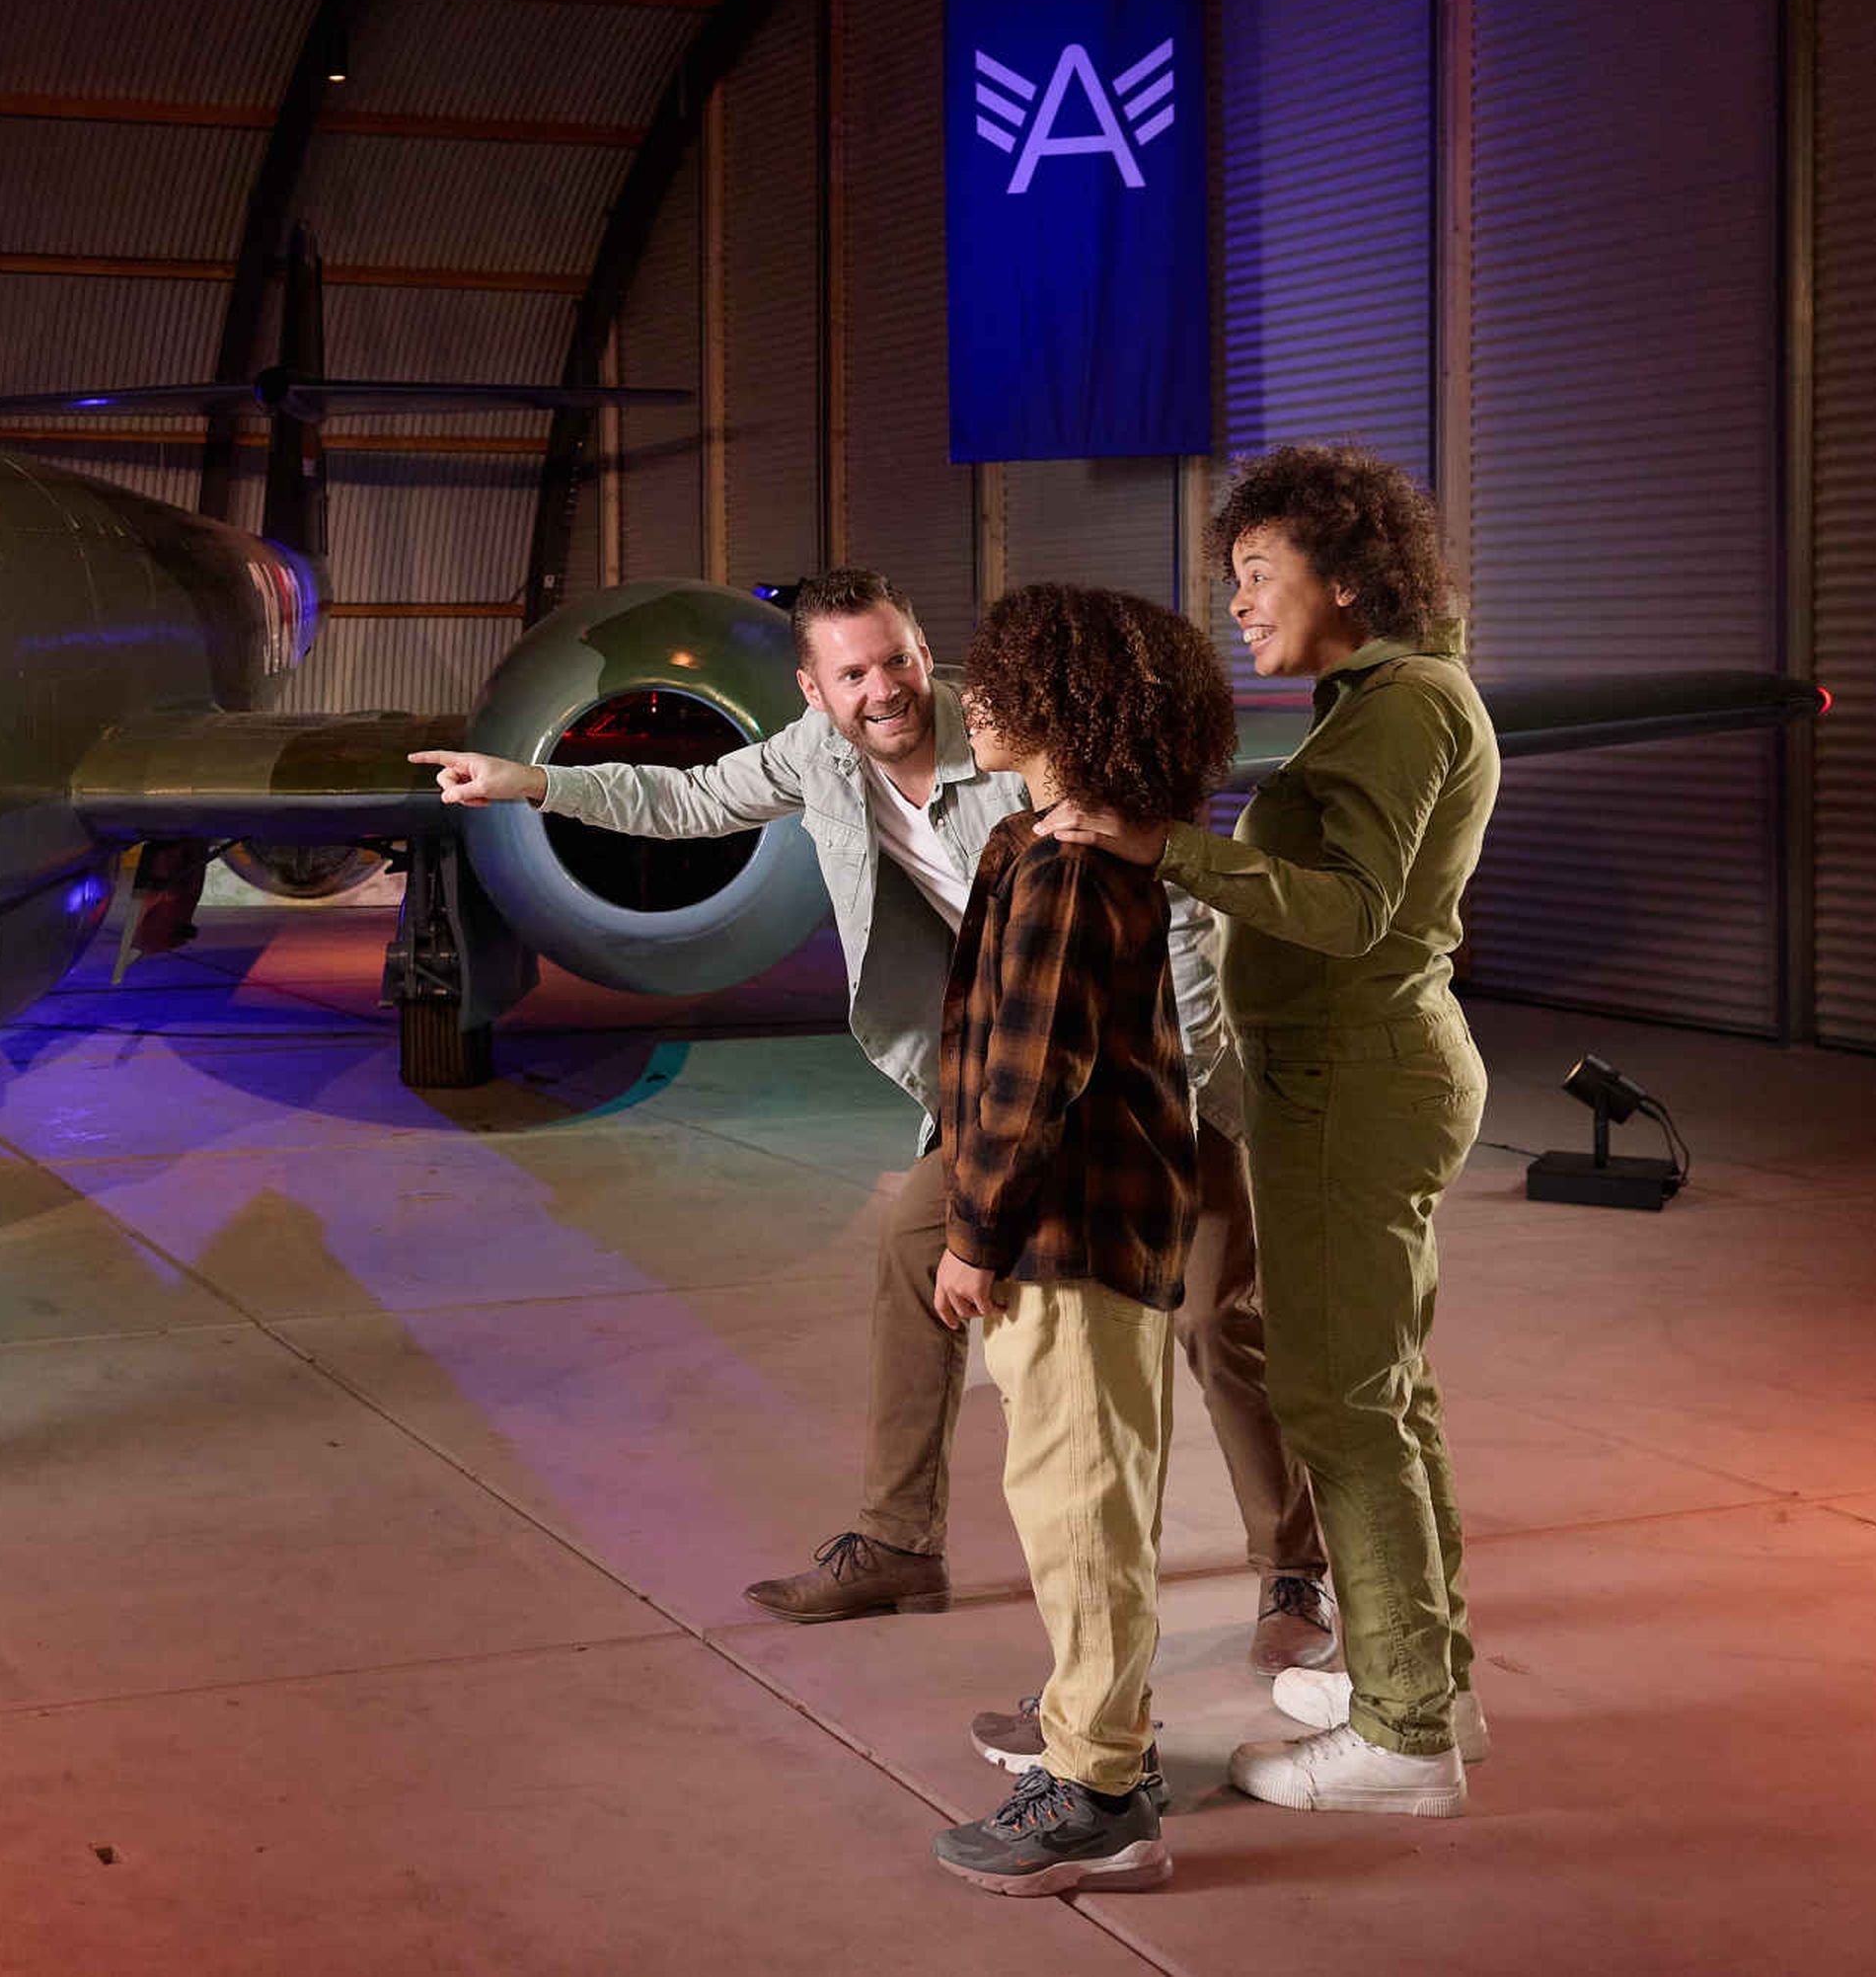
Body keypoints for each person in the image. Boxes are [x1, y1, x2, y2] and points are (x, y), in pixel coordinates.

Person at [413, 570, 1333, 1675]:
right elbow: (690, 800)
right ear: (814, 688)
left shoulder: (1015, 736)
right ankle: (898, 1542)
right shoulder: (817, 753)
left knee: (1210, 1321)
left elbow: (1179, 923)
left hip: (1152, 1059)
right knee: (911, 1256)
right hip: (1009, 1059)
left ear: (920, 646)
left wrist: (1200, 1108)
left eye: (897, 659)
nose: (886, 689)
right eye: (853, 673)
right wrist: (530, 783)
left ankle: (1294, 1570)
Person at [1041, 444, 1500, 1817]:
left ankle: (1406, 1738)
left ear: (1347, 574)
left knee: (1342, 1402)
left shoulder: (1400, 709)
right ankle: (1423, 1667)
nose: (1238, 604)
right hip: (1346, 1078)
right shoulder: (1384, 698)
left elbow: (1351, 907)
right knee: (1383, 1392)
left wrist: (1156, 844)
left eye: (1258, 574)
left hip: (1355, 1086)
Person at [917, 582, 1236, 1897]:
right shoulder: (1037, 843)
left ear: (1069, 706)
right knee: (1074, 1495)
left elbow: (1028, 1075)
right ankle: (1097, 1733)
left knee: (1080, 1503)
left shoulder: (1066, 863)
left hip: (1073, 1231)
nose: (974, 703)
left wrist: (974, 1236)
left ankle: (1101, 1794)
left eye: (1002, 684)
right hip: (1085, 1223)